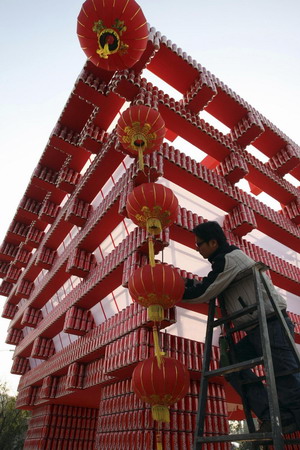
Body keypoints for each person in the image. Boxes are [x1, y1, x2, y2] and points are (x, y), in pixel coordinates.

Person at [182, 221, 300, 433]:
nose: (196, 248)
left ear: (213, 242)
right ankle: (277, 416)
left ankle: (293, 418)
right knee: (233, 366)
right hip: (257, 328)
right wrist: (187, 283)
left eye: (199, 244)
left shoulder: (228, 259)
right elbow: (210, 282)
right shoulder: (223, 261)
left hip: (271, 323)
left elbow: (205, 291)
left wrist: (175, 291)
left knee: (285, 374)